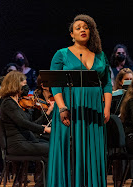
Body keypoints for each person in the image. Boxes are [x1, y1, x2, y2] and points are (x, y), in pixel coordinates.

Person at [46, 14, 112, 187]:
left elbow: (106, 84)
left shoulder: (100, 55)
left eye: (86, 27)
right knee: (69, 152)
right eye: (78, 28)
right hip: (69, 109)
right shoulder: (61, 54)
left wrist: (107, 108)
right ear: (72, 34)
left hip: (94, 110)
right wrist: (61, 108)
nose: (82, 30)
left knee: (92, 152)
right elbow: (55, 84)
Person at [0, 71, 51, 187]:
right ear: (15, 84)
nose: (26, 87)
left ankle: (46, 182)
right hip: (18, 144)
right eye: (24, 84)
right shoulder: (8, 103)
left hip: (25, 140)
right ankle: (42, 184)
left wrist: (46, 115)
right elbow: (22, 123)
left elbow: (29, 123)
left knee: (53, 145)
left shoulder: (16, 103)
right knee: (51, 150)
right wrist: (44, 130)